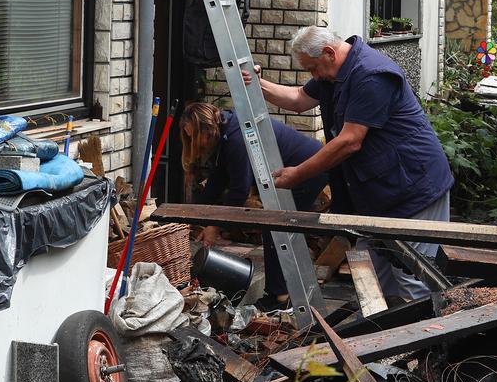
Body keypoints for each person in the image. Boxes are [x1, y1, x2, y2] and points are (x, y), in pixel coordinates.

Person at [247, 25, 454, 302]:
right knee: (375, 283)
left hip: (414, 189)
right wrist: (256, 84)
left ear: (330, 53)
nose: (314, 76)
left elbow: (349, 141)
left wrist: (298, 174)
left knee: (414, 276)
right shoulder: (334, 74)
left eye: (313, 69)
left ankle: (425, 340)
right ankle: (385, 340)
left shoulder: (371, 75)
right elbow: (298, 99)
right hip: (381, 193)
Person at [177, 101, 329, 302]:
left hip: (308, 169)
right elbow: (218, 180)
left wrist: (215, 225)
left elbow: (239, 190)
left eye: (195, 137)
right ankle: (285, 290)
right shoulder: (225, 132)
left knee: (275, 227)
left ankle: (279, 296)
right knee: (276, 227)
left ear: (206, 127)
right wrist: (188, 215)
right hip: (297, 168)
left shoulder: (236, 138)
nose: (197, 143)